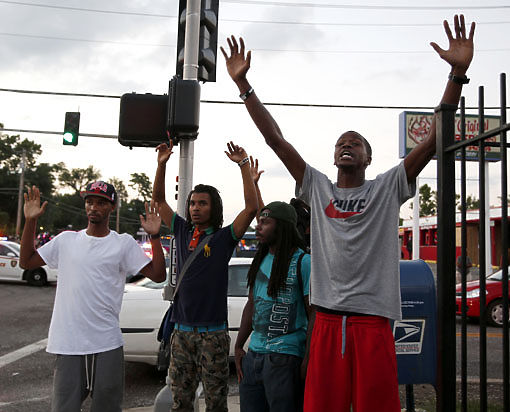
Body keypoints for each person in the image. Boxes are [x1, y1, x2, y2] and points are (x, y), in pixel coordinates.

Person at [222, 15, 475, 412]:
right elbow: (275, 140)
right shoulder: (318, 186)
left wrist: (457, 75)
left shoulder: (387, 188)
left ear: (368, 158)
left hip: (371, 324)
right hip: (324, 323)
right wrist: (243, 86)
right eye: (342, 142)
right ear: (333, 155)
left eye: (356, 143)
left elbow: (433, 140)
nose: (348, 145)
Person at [19, 181, 166, 412]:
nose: (93, 207)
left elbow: (158, 275)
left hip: (106, 343)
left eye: (100, 202)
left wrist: (155, 237)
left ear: (112, 207)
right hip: (68, 343)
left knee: (107, 407)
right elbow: (26, 261)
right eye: (89, 201)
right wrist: (30, 221)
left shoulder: (123, 243)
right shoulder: (66, 240)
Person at [152, 140, 258, 411]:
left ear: (214, 208)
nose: (195, 208)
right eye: (192, 203)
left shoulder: (224, 238)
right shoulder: (181, 229)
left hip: (213, 335)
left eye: (202, 203)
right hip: (182, 334)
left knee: (215, 403)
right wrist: (161, 164)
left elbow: (251, 209)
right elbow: (160, 201)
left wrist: (244, 166)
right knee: (181, 402)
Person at [235, 201, 311, 412]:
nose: (258, 226)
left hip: (285, 357)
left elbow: (313, 315)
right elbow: (252, 304)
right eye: (259, 221)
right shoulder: (259, 259)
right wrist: (239, 345)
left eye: (266, 222)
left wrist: (308, 359)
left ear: (283, 227)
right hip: (254, 355)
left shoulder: (303, 262)